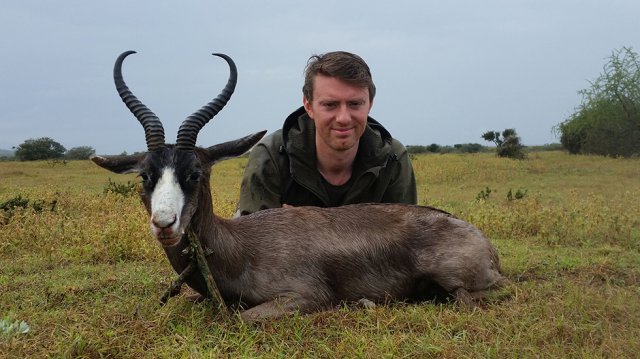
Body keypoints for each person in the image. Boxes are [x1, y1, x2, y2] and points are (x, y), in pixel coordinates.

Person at [237, 51, 417, 216]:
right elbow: (254, 245)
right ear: (309, 106)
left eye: (355, 104)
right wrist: (368, 231)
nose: (343, 118)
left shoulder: (393, 157)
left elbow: (405, 243)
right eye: (330, 105)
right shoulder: (271, 156)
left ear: (370, 104)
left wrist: (307, 225)